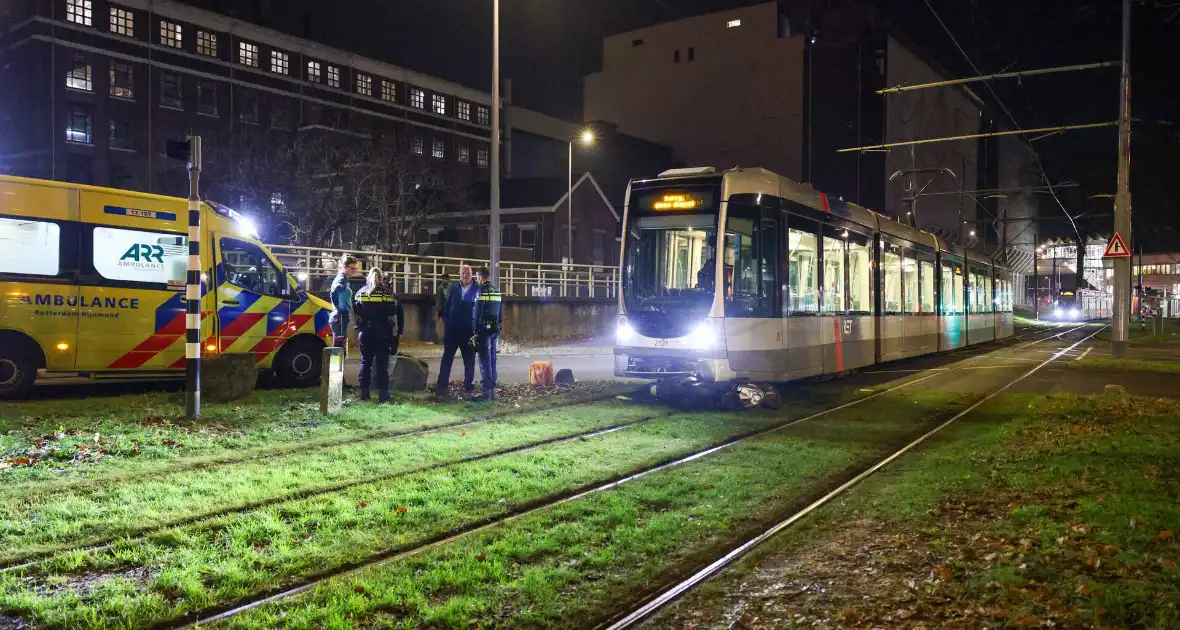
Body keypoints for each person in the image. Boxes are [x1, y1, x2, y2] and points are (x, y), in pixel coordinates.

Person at [352, 267, 403, 402]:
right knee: (382, 365)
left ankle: (364, 394)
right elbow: (392, 310)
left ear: (368, 277)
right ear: (381, 278)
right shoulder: (386, 293)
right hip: (382, 333)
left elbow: (357, 310)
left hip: (365, 333)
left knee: (365, 362)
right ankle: (383, 395)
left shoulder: (361, 293)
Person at [435, 264, 478, 399]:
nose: (465, 276)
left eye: (468, 273)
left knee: (469, 359)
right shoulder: (454, 288)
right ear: (459, 274)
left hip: (468, 331)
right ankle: (442, 384)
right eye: (463, 273)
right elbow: (447, 307)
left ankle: (468, 384)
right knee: (447, 358)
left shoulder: (477, 289)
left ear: (472, 275)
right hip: (452, 330)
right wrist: (447, 324)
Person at [472, 266, 502, 401]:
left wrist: (475, 331)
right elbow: (500, 311)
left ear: (480, 276)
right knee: (492, 358)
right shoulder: (496, 290)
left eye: (477, 276)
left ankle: (486, 390)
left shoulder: (481, 291)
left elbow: (477, 312)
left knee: (484, 359)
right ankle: (492, 385)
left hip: (483, 328)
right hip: (494, 327)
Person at [330, 255, 359, 386]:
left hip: (342, 316)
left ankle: (338, 381)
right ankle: (336, 382)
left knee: (340, 349)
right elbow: (335, 292)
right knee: (339, 350)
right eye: (353, 268)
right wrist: (337, 307)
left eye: (356, 268)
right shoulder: (341, 279)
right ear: (345, 267)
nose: (355, 271)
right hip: (340, 317)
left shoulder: (344, 279)